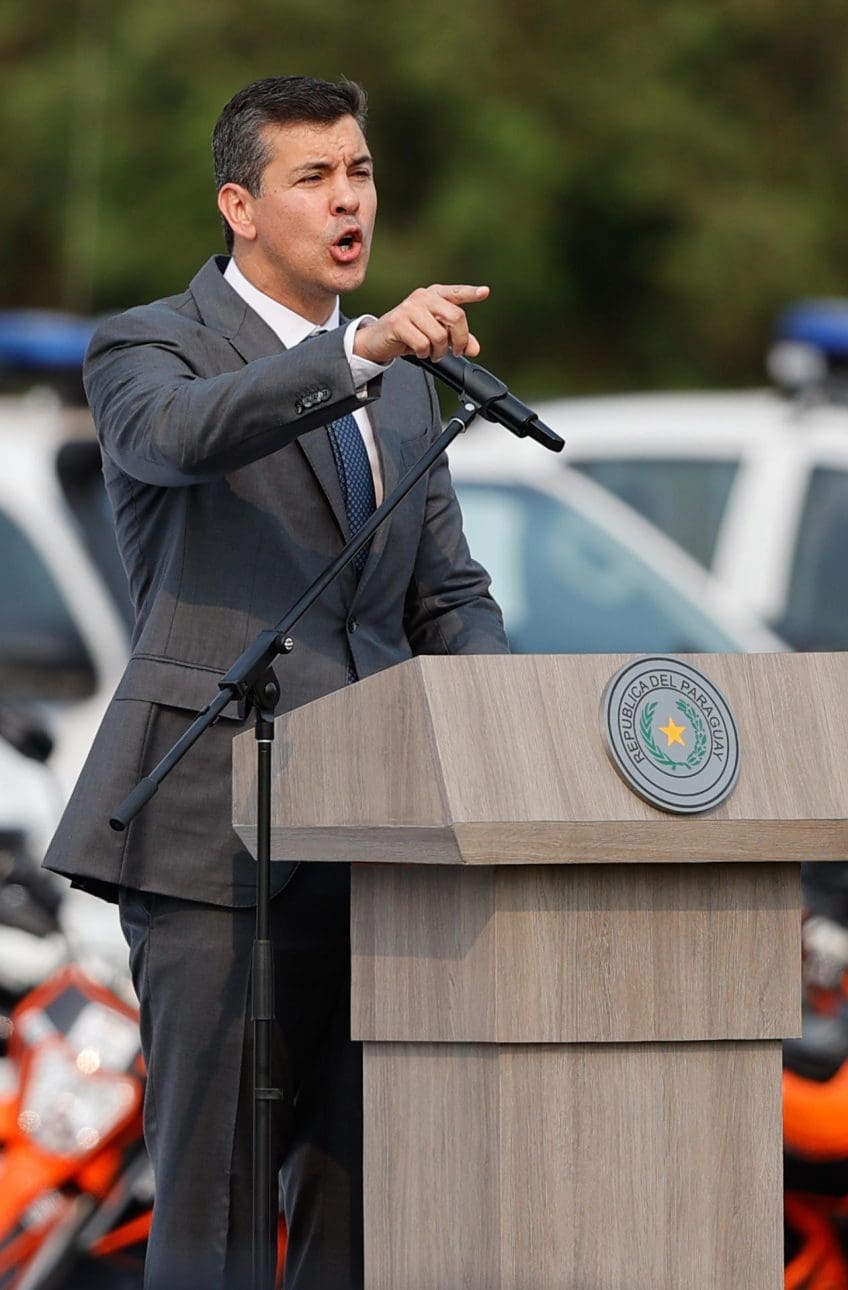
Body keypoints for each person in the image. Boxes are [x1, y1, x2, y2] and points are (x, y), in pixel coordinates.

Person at [43, 74, 508, 1289]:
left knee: (368, 1207)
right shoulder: (150, 345)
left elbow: (444, 596)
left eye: (358, 171)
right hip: (217, 842)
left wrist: (513, 737)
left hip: (382, 842)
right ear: (239, 206)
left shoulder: (406, 381)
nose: (348, 199)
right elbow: (177, 437)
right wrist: (354, 349)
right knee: (218, 1211)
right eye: (314, 177)